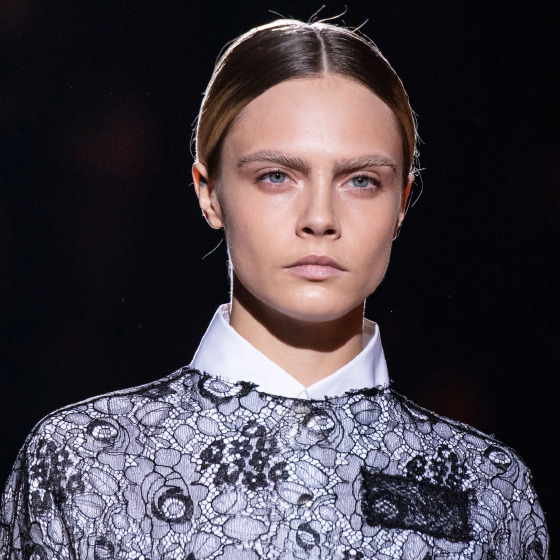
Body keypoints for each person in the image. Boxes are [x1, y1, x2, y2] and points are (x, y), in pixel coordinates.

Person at [0, 18, 549, 560]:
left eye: (361, 181)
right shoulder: (85, 465)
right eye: (276, 176)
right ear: (209, 193)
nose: (319, 218)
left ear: (401, 203)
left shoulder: (488, 490)